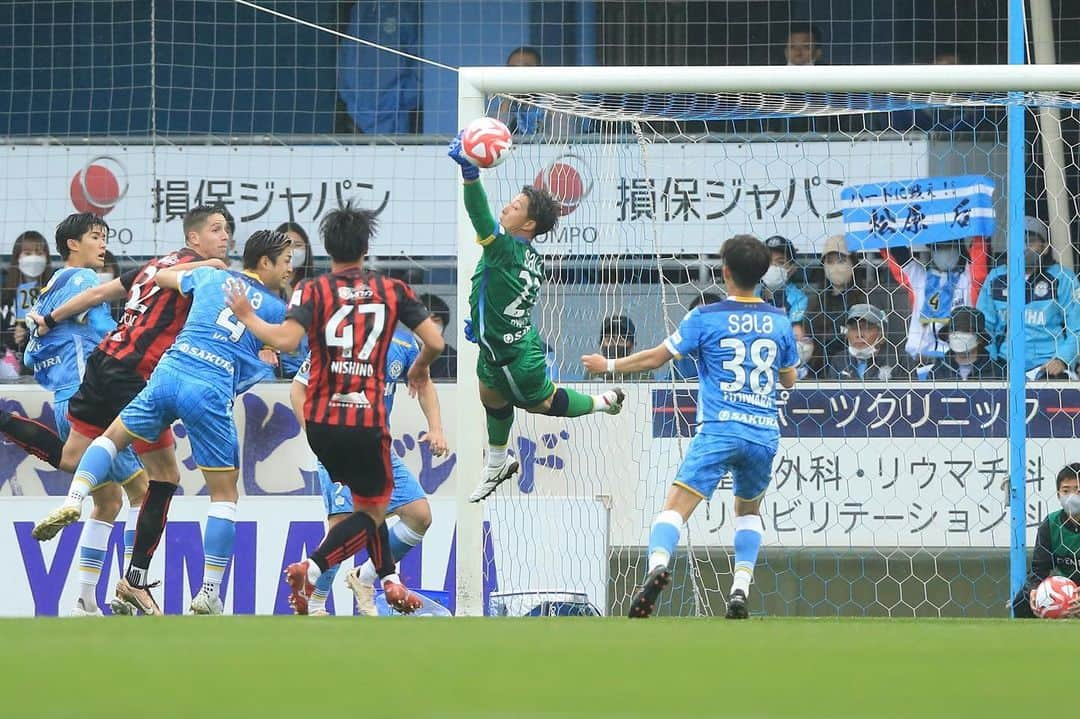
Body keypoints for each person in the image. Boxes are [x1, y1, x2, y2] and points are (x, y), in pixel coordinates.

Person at [3, 206, 229, 616]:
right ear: (193, 238)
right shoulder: (188, 269)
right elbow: (95, 309)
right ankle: (133, 582)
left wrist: (47, 320)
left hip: (97, 368)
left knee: (92, 482)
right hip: (125, 373)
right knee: (156, 483)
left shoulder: (139, 269)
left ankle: (88, 598)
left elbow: (79, 309)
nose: (225, 237)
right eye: (217, 230)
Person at [226, 204, 444, 615]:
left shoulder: (312, 291)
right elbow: (434, 342)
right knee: (366, 513)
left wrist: (248, 315)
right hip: (365, 421)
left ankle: (381, 580)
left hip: (324, 425)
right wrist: (421, 367)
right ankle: (315, 574)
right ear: (366, 248)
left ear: (326, 249)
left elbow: (287, 342)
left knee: (378, 509)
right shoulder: (392, 291)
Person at [66, 229, 291, 616]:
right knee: (220, 494)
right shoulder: (275, 309)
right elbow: (287, 347)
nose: (291, 269)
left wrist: (206, 268)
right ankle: (205, 591)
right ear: (265, 263)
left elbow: (162, 278)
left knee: (110, 441)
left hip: (165, 371)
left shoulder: (209, 277)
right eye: (286, 261)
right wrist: (265, 346)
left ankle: (73, 500)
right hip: (208, 388)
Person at [581, 235, 798, 619]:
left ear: (725, 272)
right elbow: (789, 380)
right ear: (764, 274)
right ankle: (739, 590)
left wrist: (609, 366)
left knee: (674, 510)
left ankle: (657, 567)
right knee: (748, 512)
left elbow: (655, 359)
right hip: (762, 434)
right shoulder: (780, 321)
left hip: (718, 429)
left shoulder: (705, 317)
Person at [447, 130, 625, 503]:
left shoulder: (506, 251)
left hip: (515, 357)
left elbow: (478, 215)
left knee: (540, 403)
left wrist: (470, 175)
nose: (508, 207)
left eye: (516, 205)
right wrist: (481, 325)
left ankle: (603, 402)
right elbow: (502, 296)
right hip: (504, 344)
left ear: (528, 225)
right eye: (511, 201)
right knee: (490, 396)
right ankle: (498, 461)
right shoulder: (529, 256)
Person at [21, 213, 146, 616]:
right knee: (145, 493)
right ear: (73, 244)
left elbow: (28, 353)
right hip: (90, 395)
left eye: (105, 236)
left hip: (64, 398)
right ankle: (131, 584)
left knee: (108, 502)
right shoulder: (84, 282)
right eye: (95, 236)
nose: (102, 243)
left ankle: (86, 600)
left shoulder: (47, 290)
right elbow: (109, 335)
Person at [291, 324, 447, 616]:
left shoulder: (404, 342)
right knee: (343, 525)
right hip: (337, 444)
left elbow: (423, 381)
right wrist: (314, 436)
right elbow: (298, 388)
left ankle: (365, 578)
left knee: (419, 515)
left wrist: (436, 428)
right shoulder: (336, 337)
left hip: (378, 449)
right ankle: (314, 604)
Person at [977, 216, 1080, 379]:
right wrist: (990, 360)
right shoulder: (997, 277)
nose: (1024, 247)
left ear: (1045, 247)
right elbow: (983, 326)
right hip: (1004, 363)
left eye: (1030, 241)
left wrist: (1062, 359)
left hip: (1050, 365)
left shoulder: (1063, 278)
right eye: (1018, 241)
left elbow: (1077, 328)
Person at [882, 235, 988, 363]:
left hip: (955, 360)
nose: (944, 253)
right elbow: (898, 256)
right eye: (938, 249)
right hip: (917, 361)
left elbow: (978, 259)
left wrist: (981, 230)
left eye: (949, 248)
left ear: (959, 250)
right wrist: (882, 233)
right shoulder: (920, 279)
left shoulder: (967, 280)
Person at [336, 0, 420, 134]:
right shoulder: (360, 9)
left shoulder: (408, 8)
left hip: (396, 118)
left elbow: (422, 61)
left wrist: (400, 99)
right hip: (357, 117)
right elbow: (345, 55)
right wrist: (350, 98)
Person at [1011, 463, 1080, 618]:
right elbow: (1038, 570)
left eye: (1078, 490)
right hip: (1064, 592)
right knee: (1022, 601)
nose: (1072, 496)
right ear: (1058, 495)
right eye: (1066, 491)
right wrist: (1034, 590)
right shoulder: (1051, 524)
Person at [1, 230, 54, 375]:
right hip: (7, 370)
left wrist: (30, 334)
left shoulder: (54, 295)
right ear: (17, 258)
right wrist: (13, 335)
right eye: (28, 253)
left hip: (45, 365)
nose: (34, 259)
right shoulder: (4, 298)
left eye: (39, 253)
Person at [913, 305, 1003, 381]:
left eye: (967, 331)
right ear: (948, 336)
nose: (959, 335)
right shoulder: (937, 372)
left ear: (980, 339)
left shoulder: (997, 373)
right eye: (954, 330)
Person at [823, 303, 907, 381]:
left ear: (881, 334)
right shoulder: (839, 361)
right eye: (853, 328)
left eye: (866, 328)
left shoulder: (900, 360)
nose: (859, 335)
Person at [490, 46, 545, 135]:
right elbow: (493, 134)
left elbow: (563, 141)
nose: (520, 76)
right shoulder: (507, 106)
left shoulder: (553, 105)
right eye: (513, 70)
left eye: (526, 69)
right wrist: (508, 98)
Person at [586, 314, 654, 382]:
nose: (615, 344)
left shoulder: (643, 374)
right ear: (600, 345)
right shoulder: (594, 372)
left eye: (621, 340)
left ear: (632, 346)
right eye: (609, 340)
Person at [672, 293, 724, 380]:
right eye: (698, 319)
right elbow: (665, 388)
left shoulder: (732, 351)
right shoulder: (682, 355)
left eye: (709, 319)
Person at [761, 235, 809, 326]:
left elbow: (794, 332)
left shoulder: (799, 299)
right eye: (768, 262)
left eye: (780, 262)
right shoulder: (753, 293)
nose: (772, 267)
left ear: (792, 268)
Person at [418, 292, 457, 379]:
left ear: (444, 325)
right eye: (423, 319)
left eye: (435, 320)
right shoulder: (400, 353)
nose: (429, 325)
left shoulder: (453, 360)